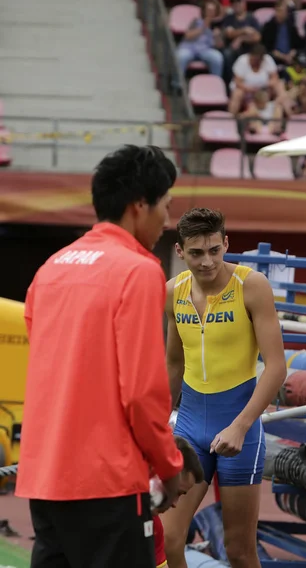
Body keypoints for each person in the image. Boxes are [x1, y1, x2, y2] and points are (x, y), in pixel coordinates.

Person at [16, 145, 184, 568]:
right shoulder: (139, 270)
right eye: (165, 205)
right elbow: (142, 392)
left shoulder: (50, 268)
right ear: (139, 205)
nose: (168, 220)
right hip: (108, 483)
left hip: (45, 477)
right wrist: (170, 466)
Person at [162, 208, 287, 568]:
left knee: (239, 551)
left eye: (215, 250)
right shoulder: (173, 291)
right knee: (169, 538)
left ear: (226, 244)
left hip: (240, 431)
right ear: (180, 252)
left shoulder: (252, 285)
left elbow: (276, 367)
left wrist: (241, 424)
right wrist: (156, 429)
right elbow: (174, 363)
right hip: (189, 429)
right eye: (197, 253)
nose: (207, 262)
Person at [153, 436, 205, 568]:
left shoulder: (154, 527)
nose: (175, 503)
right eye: (175, 492)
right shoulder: (103, 508)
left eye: (181, 495)